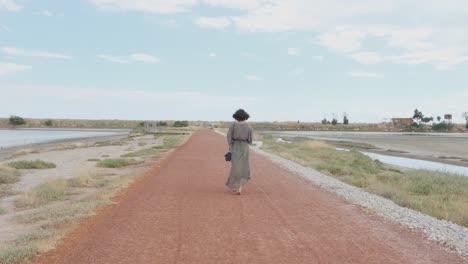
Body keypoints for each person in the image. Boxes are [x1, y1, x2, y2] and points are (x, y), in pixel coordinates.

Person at [226, 109, 253, 195]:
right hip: (245, 147)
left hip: (235, 146)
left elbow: (229, 137)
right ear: (245, 117)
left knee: (235, 167)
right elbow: (250, 140)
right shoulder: (249, 127)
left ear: (236, 117)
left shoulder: (233, 126)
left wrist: (230, 145)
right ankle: (239, 188)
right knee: (244, 167)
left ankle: (234, 185)